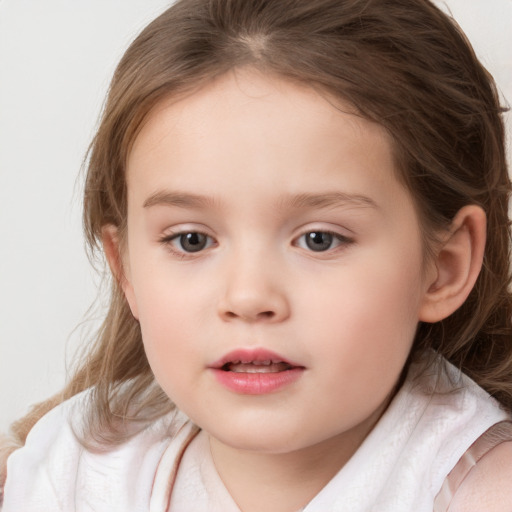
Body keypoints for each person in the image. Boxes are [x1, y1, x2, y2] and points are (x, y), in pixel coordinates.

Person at [2, 0, 512, 510]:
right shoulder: (74, 468)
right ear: (126, 268)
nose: (248, 297)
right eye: (191, 240)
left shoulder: (481, 492)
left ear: (444, 267)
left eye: (319, 239)